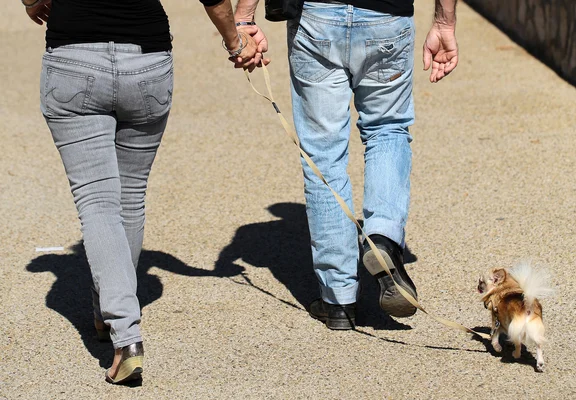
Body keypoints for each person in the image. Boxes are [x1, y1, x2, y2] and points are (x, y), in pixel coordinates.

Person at [23, 0, 260, 384]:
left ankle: (126, 338)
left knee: (98, 202)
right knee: (130, 195)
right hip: (146, 62)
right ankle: (107, 311)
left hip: (74, 57)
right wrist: (236, 40)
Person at [235, 0, 459, 329]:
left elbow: (230, 260)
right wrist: (444, 21)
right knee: (388, 129)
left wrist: (243, 18)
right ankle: (383, 236)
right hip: (387, 17)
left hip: (317, 17)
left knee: (323, 154)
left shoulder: (251, 233)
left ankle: (338, 300)